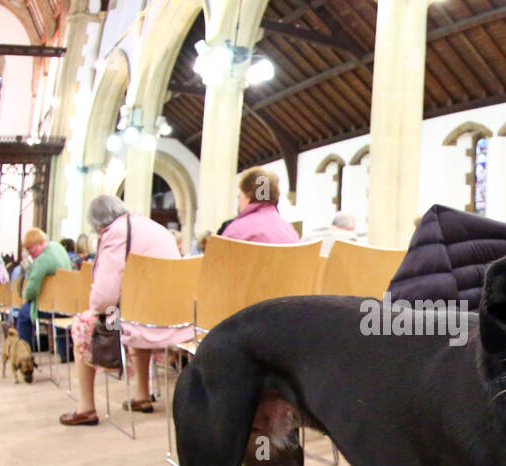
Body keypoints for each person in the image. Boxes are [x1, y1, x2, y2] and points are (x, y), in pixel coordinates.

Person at [60, 195, 190, 426]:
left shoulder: (115, 233)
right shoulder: (155, 228)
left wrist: (95, 307)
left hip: (143, 320)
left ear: (99, 226)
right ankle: (141, 394)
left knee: (83, 322)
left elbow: (105, 298)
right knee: (135, 313)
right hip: (178, 319)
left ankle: (86, 407)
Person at [16, 227, 72, 351]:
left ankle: (24, 352)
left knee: (24, 313)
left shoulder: (42, 260)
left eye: (30, 248)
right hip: (67, 304)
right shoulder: (57, 247)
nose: (29, 252)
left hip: (52, 306)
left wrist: (24, 293)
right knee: (59, 318)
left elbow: (31, 291)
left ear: (40, 243)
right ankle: (64, 351)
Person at [219, 167, 299, 244]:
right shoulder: (291, 232)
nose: (239, 202)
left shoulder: (235, 232)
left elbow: (217, 257)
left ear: (248, 195)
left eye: (239, 196)